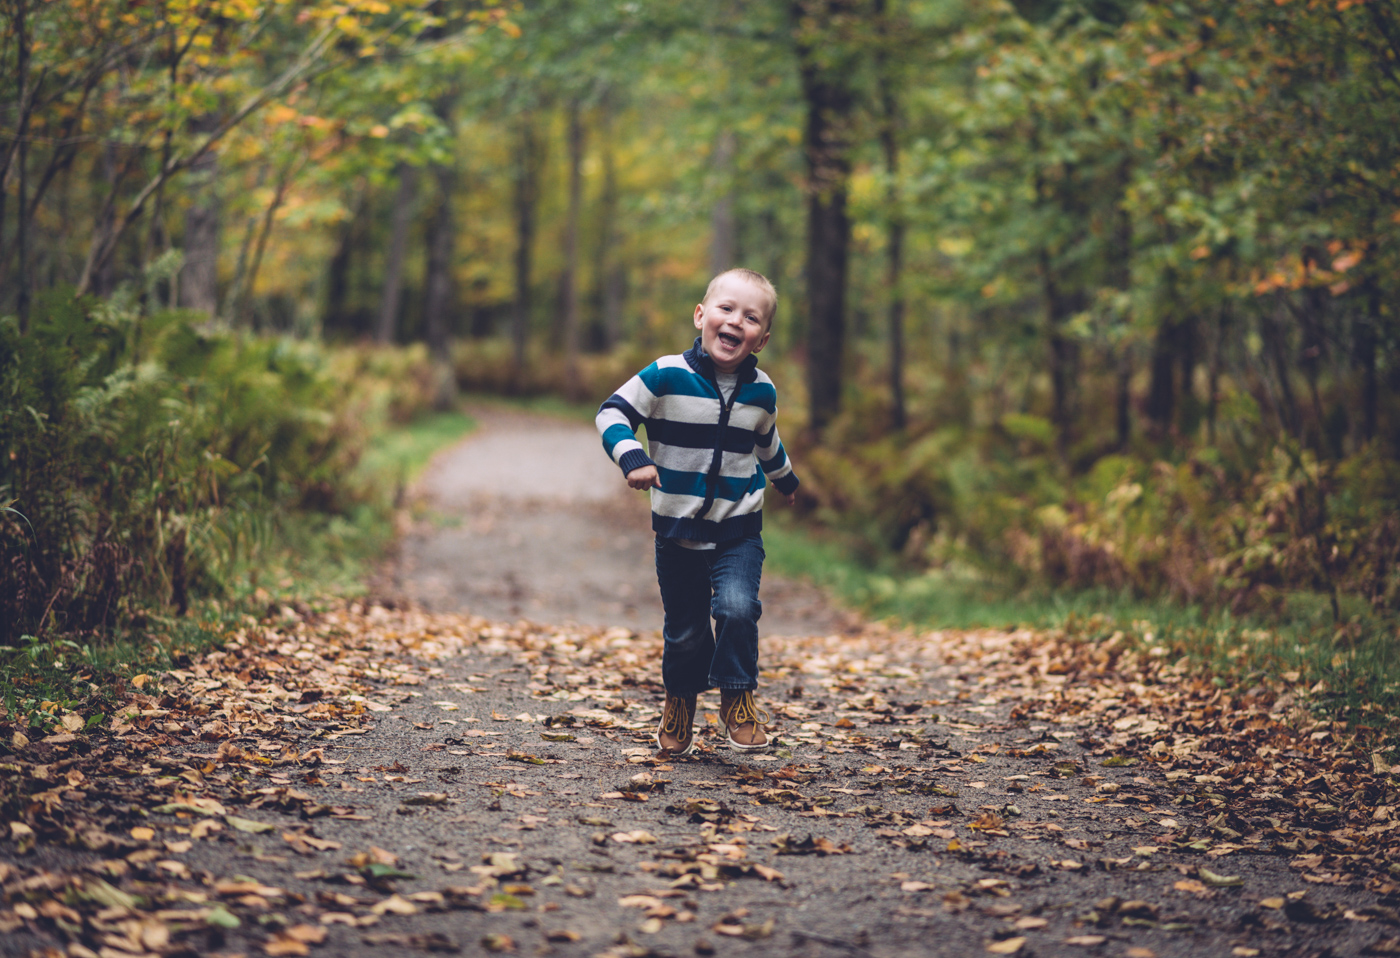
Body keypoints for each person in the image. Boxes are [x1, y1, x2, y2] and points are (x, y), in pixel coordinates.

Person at [596, 267, 800, 755]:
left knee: (737, 607)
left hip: (739, 526)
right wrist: (632, 455)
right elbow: (612, 412)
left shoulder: (761, 391)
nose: (735, 322)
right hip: (676, 529)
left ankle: (737, 694)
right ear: (701, 314)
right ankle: (681, 698)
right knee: (686, 630)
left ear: (761, 339)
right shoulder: (666, 373)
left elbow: (766, 441)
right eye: (726, 309)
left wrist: (786, 479)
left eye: (750, 317)